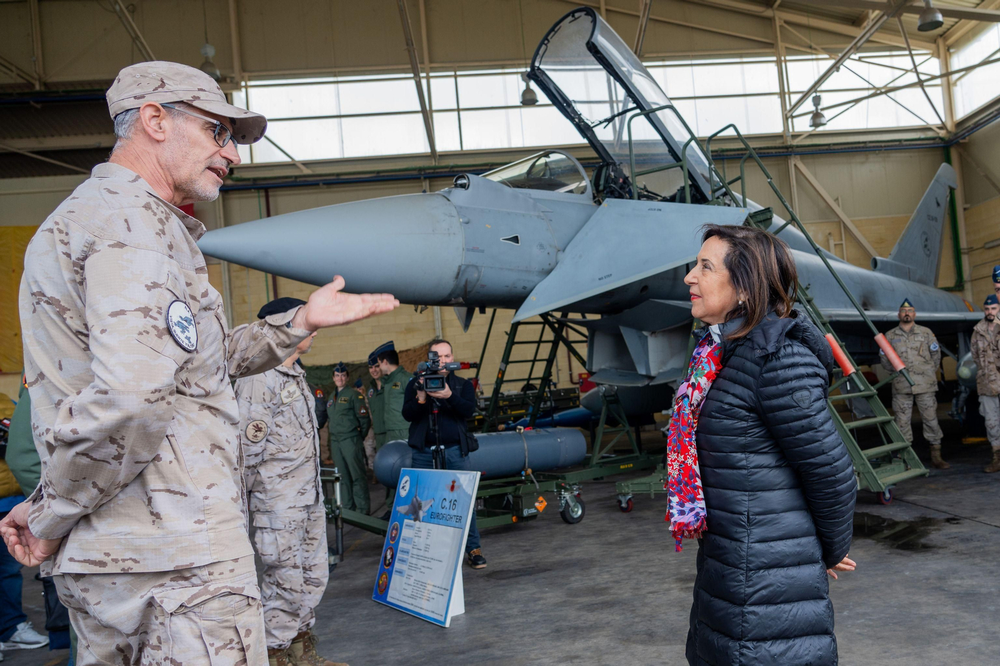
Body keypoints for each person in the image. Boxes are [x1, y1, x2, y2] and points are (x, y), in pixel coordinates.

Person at [1, 61, 397, 665]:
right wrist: (52, 513)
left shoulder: (130, 222)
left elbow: (195, 362)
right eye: (219, 132)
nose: (232, 154)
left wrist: (299, 323)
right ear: (155, 121)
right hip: (175, 564)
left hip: (137, 555)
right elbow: (132, 402)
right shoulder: (128, 228)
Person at [677, 225, 856, 666]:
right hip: (732, 572)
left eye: (705, 267)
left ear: (744, 288)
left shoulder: (777, 360)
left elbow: (831, 472)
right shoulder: (721, 357)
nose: (689, 277)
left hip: (767, 587)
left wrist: (827, 549)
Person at [235, 299, 345, 666]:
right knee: (284, 584)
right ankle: (275, 656)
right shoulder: (258, 378)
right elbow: (247, 451)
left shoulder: (296, 374)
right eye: (300, 321)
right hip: (277, 505)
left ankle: (302, 653)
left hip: (308, 499)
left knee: (313, 578)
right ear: (279, 326)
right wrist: (242, 507)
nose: (312, 328)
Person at [402, 340, 487, 570]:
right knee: (420, 505)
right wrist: (421, 397)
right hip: (423, 453)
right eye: (438, 357)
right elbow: (407, 414)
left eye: (448, 356)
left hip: (454, 452)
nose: (443, 361)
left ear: (452, 359)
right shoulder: (416, 383)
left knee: (463, 501)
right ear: (429, 359)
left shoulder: (462, 385)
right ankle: (424, 553)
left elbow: (468, 410)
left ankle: (473, 548)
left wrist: (448, 395)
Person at [880, 299, 948, 469]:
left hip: (925, 385)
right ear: (899, 315)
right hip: (901, 386)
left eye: (910, 310)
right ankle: (906, 459)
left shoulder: (926, 333)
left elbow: (936, 356)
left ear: (914, 314)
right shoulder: (890, 336)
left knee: (931, 420)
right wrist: (896, 374)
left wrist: (926, 372)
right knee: (902, 423)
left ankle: (936, 456)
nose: (907, 313)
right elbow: (885, 359)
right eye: (904, 311)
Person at [325, 363, 371, 514]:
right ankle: (349, 509)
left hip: (350, 440)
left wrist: (357, 437)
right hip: (336, 441)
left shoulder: (353, 395)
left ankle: (363, 509)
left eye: (343, 375)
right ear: (333, 378)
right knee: (342, 476)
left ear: (347, 377)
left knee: (357, 475)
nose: (340, 378)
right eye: (337, 376)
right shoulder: (332, 397)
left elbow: (364, 420)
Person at [972, 294, 1000, 474]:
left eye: (994, 308)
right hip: (987, 383)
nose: (990, 312)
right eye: (987, 309)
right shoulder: (978, 331)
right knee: (991, 422)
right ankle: (997, 458)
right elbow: (975, 355)